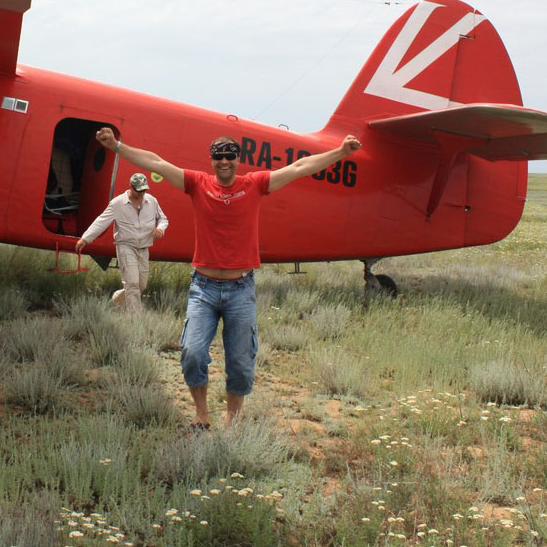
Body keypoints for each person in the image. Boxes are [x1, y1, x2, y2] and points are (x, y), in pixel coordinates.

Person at [93, 127, 361, 428]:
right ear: (211, 160)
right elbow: (155, 162)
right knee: (193, 353)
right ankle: (202, 415)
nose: (224, 162)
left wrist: (341, 153)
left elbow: (299, 168)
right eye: (218, 156)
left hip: (240, 289)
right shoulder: (197, 183)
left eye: (230, 156)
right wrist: (117, 146)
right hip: (203, 288)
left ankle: (233, 421)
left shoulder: (255, 184)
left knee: (240, 360)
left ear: (238, 159)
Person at [75, 173, 168, 313]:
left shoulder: (152, 201)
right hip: (125, 246)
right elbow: (101, 221)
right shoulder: (117, 203)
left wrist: (160, 228)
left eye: (144, 190)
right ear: (131, 187)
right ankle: (136, 320)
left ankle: (117, 299)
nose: (142, 193)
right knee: (132, 284)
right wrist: (85, 238)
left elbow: (163, 219)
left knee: (141, 285)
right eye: (139, 190)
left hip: (144, 247)